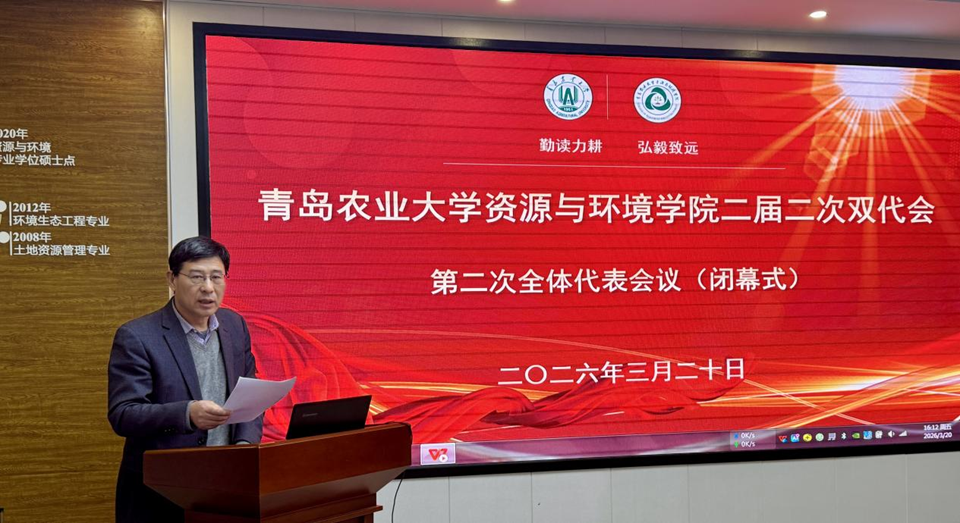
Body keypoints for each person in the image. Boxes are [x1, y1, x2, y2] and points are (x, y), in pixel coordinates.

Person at [107, 236, 262, 523]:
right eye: (197, 277)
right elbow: (123, 414)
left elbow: (250, 395)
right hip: (162, 492)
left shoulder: (235, 325)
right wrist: (187, 413)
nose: (208, 288)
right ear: (172, 279)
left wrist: (244, 446)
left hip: (227, 485)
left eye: (216, 277)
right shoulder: (138, 336)